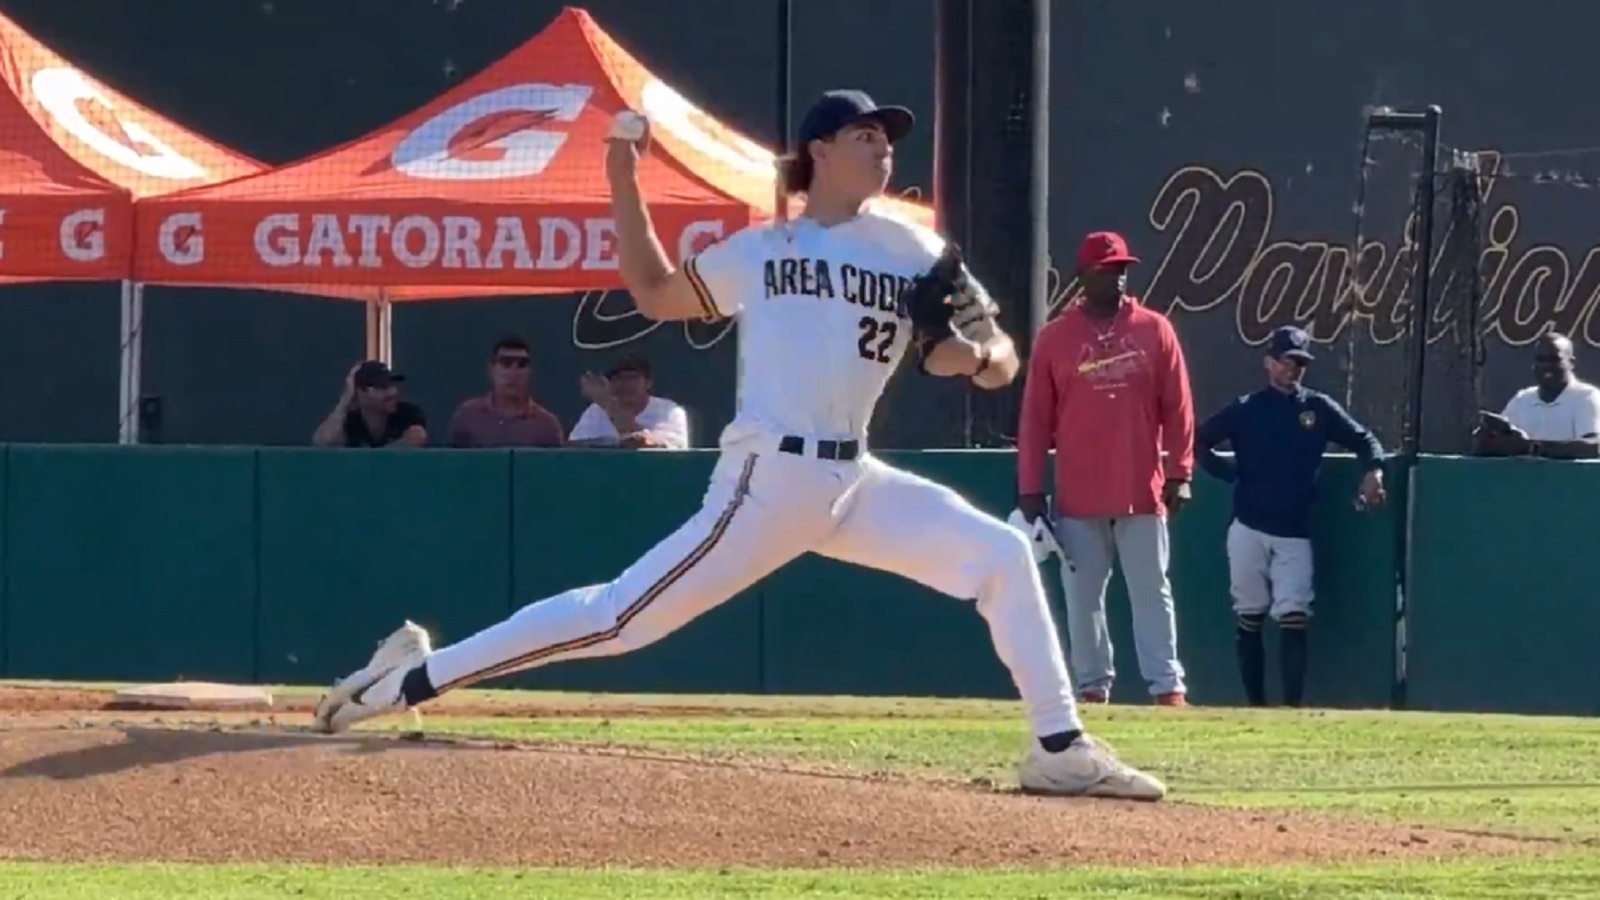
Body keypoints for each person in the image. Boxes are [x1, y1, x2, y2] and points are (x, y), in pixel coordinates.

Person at [312, 89, 1165, 801]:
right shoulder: (764, 250)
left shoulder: (915, 247)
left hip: (851, 479)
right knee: (620, 619)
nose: (885, 152)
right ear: (819, 151)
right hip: (768, 476)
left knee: (1001, 557)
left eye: (889, 141)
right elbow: (652, 292)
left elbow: (996, 352)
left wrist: (976, 357)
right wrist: (619, 172)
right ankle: (410, 677)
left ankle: (1057, 748)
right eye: (867, 137)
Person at [1016, 231, 1194, 707]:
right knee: (1082, 597)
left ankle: (1167, 686)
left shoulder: (1154, 329)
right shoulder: (1056, 338)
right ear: (1084, 275)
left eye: (1121, 270)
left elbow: (1178, 408)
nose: (1116, 278)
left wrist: (1181, 472)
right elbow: (1034, 420)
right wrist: (1029, 489)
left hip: (1141, 488)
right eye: (1107, 270)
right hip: (1078, 494)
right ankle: (1092, 685)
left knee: (1152, 591)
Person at [1194, 326, 1385, 707]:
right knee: (1249, 614)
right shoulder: (1246, 408)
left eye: (1300, 363)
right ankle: (1256, 705)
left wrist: (1374, 470)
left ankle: (1292, 708)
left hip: (1294, 529)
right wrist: (1232, 475)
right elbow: (1198, 441)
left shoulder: (1317, 408)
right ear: (1269, 363)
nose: (1293, 369)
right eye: (1287, 361)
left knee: (1294, 614)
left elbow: (1364, 438)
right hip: (1248, 524)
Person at [1474, 332, 1600, 460]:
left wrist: (1533, 448)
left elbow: (1594, 446)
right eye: (1540, 359)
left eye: (1554, 359)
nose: (1546, 366)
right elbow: (1506, 443)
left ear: (1571, 363)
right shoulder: (1522, 400)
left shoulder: (1586, 396)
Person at [446, 336, 566, 448]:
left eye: (522, 365)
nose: (513, 372)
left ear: (530, 373)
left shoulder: (547, 425)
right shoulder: (467, 416)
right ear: (491, 370)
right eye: (506, 363)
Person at [568, 352, 691, 449]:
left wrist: (609, 406)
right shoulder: (595, 411)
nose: (624, 384)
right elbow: (574, 451)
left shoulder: (669, 412)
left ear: (648, 383)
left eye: (631, 378)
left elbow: (651, 449)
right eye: (617, 379)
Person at [311, 360, 427, 448]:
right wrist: (345, 399)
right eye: (382, 387)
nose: (392, 392)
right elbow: (322, 442)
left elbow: (418, 438)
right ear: (360, 392)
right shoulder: (351, 421)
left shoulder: (408, 414)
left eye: (392, 385)